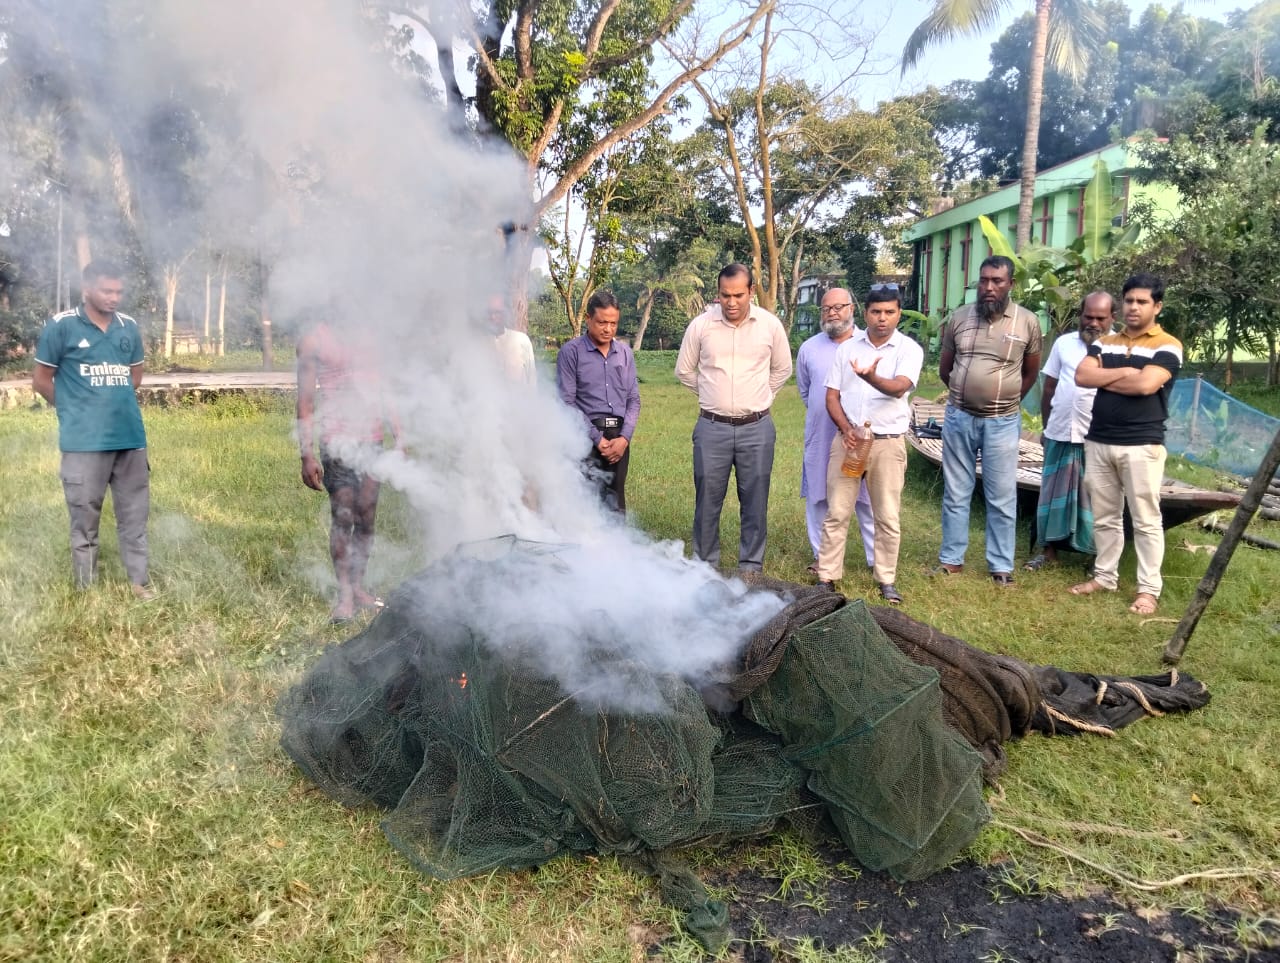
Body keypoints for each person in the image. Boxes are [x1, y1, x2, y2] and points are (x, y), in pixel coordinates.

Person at [33, 260, 155, 599]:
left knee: (134, 516)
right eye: (106, 290)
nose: (114, 297)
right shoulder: (61, 327)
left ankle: (138, 583)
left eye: (119, 291)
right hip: (83, 442)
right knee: (84, 517)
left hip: (129, 439)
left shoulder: (128, 327)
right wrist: (76, 410)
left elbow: (135, 377)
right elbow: (41, 381)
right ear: (86, 289)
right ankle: (88, 589)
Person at [1069, 273, 1182, 615]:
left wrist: (1116, 376)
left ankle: (1148, 590)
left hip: (1142, 443)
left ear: (1157, 307)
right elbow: (1083, 376)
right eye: (1129, 300)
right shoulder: (1105, 341)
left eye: (1142, 302)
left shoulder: (1167, 345)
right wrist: (1127, 373)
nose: (1133, 307)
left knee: (1146, 518)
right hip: (1100, 439)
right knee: (1105, 516)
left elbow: (1147, 386)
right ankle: (1105, 577)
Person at [676, 263, 792, 573]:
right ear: (718, 294)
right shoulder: (701, 326)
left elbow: (782, 369)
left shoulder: (769, 326)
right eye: (725, 295)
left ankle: (751, 566)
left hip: (757, 428)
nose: (731, 302)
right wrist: (712, 392)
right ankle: (704, 565)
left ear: (751, 291)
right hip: (711, 428)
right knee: (707, 502)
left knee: (754, 500)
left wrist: (761, 395)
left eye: (738, 295)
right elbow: (684, 370)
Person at [935, 255, 1042, 586]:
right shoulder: (960, 318)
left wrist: (1005, 399)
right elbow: (945, 369)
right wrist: (966, 394)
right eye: (984, 280)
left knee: (1001, 494)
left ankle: (1000, 565)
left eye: (997, 281)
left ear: (1010, 284)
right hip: (959, 417)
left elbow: (1031, 371)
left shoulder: (1027, 322)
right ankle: (951, 560)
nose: (989, 287)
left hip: (1002, 422)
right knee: (956, 490)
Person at [815, 284, 923, 604]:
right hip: (850, 440)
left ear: (898, 314)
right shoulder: (848, 349)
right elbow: (831, 396)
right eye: (876, 312)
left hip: (887, 443)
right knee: (837, 510)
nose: (882, 319)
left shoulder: (908, 350)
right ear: (865, 313)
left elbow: (898, 388)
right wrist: (845, 428)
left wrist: (870, 377)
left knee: (887, 515)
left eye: (889, 312)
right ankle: (827, 576)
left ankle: (886, 579)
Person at [297, 317, 399, 624]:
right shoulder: (314, 340)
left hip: (372, 440)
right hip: (335, 440)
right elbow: (305, 401)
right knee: (343, 515)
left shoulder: (372, 331)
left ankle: (359, 587)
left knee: (366, 516)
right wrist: (307, 455)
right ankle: (344, 596)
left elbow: (385, 388)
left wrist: (401, 435)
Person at [1024, 292, 1113, 572]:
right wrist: (1047, 426)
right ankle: (1047, 550)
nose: (1094, 323)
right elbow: (1049, 387)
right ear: (1080, 315)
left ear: (1112, 318)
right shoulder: (1064, 344)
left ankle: (1097, 559)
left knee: (1099, 498)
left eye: (1101, 318)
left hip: (1099, 437)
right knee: (1051, 494)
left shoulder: (1123, 348)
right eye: (1089, 316)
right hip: (1060, 431)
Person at [796, 288, 875, 574]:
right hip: (822, 432)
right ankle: (823, 557)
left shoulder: (868, 344)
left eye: (838, 307)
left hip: (861, 436)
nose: (832, 313)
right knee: (819, 495)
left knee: (867, 498)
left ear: (852, 308)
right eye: (826, 308)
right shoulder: (809, 348)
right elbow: (806, 392)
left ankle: (876, 560)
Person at [556, 290, 641, 512]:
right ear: (588, 319)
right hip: (584, 436)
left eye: (613, 323)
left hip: (619, 437)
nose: (608, 329)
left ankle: (618, 546)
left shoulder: (624, 353)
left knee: (616, 502)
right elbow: (567, 402)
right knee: (586, 502)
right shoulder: (571, 352)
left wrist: (624, 438)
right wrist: (597, 439)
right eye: (602, 322)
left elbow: (633, 399)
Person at [487, 293, 536, 386]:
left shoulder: (522, 340)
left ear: (505, 314)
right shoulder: (477, 345)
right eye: (490, 312)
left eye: (497, 312)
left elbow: (532, 382)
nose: (493, 317)